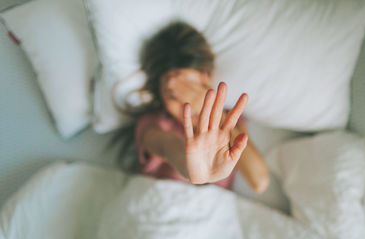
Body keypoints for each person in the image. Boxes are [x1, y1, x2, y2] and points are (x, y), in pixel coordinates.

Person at [110, 21, 269, 193]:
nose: (187, 104)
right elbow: (168, 145)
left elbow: (259, 182)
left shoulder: (231, 122)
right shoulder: (155, 123)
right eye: (172, 96)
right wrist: (189, 167)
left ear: (206, 80)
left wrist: (214, 114)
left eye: (191, 90)